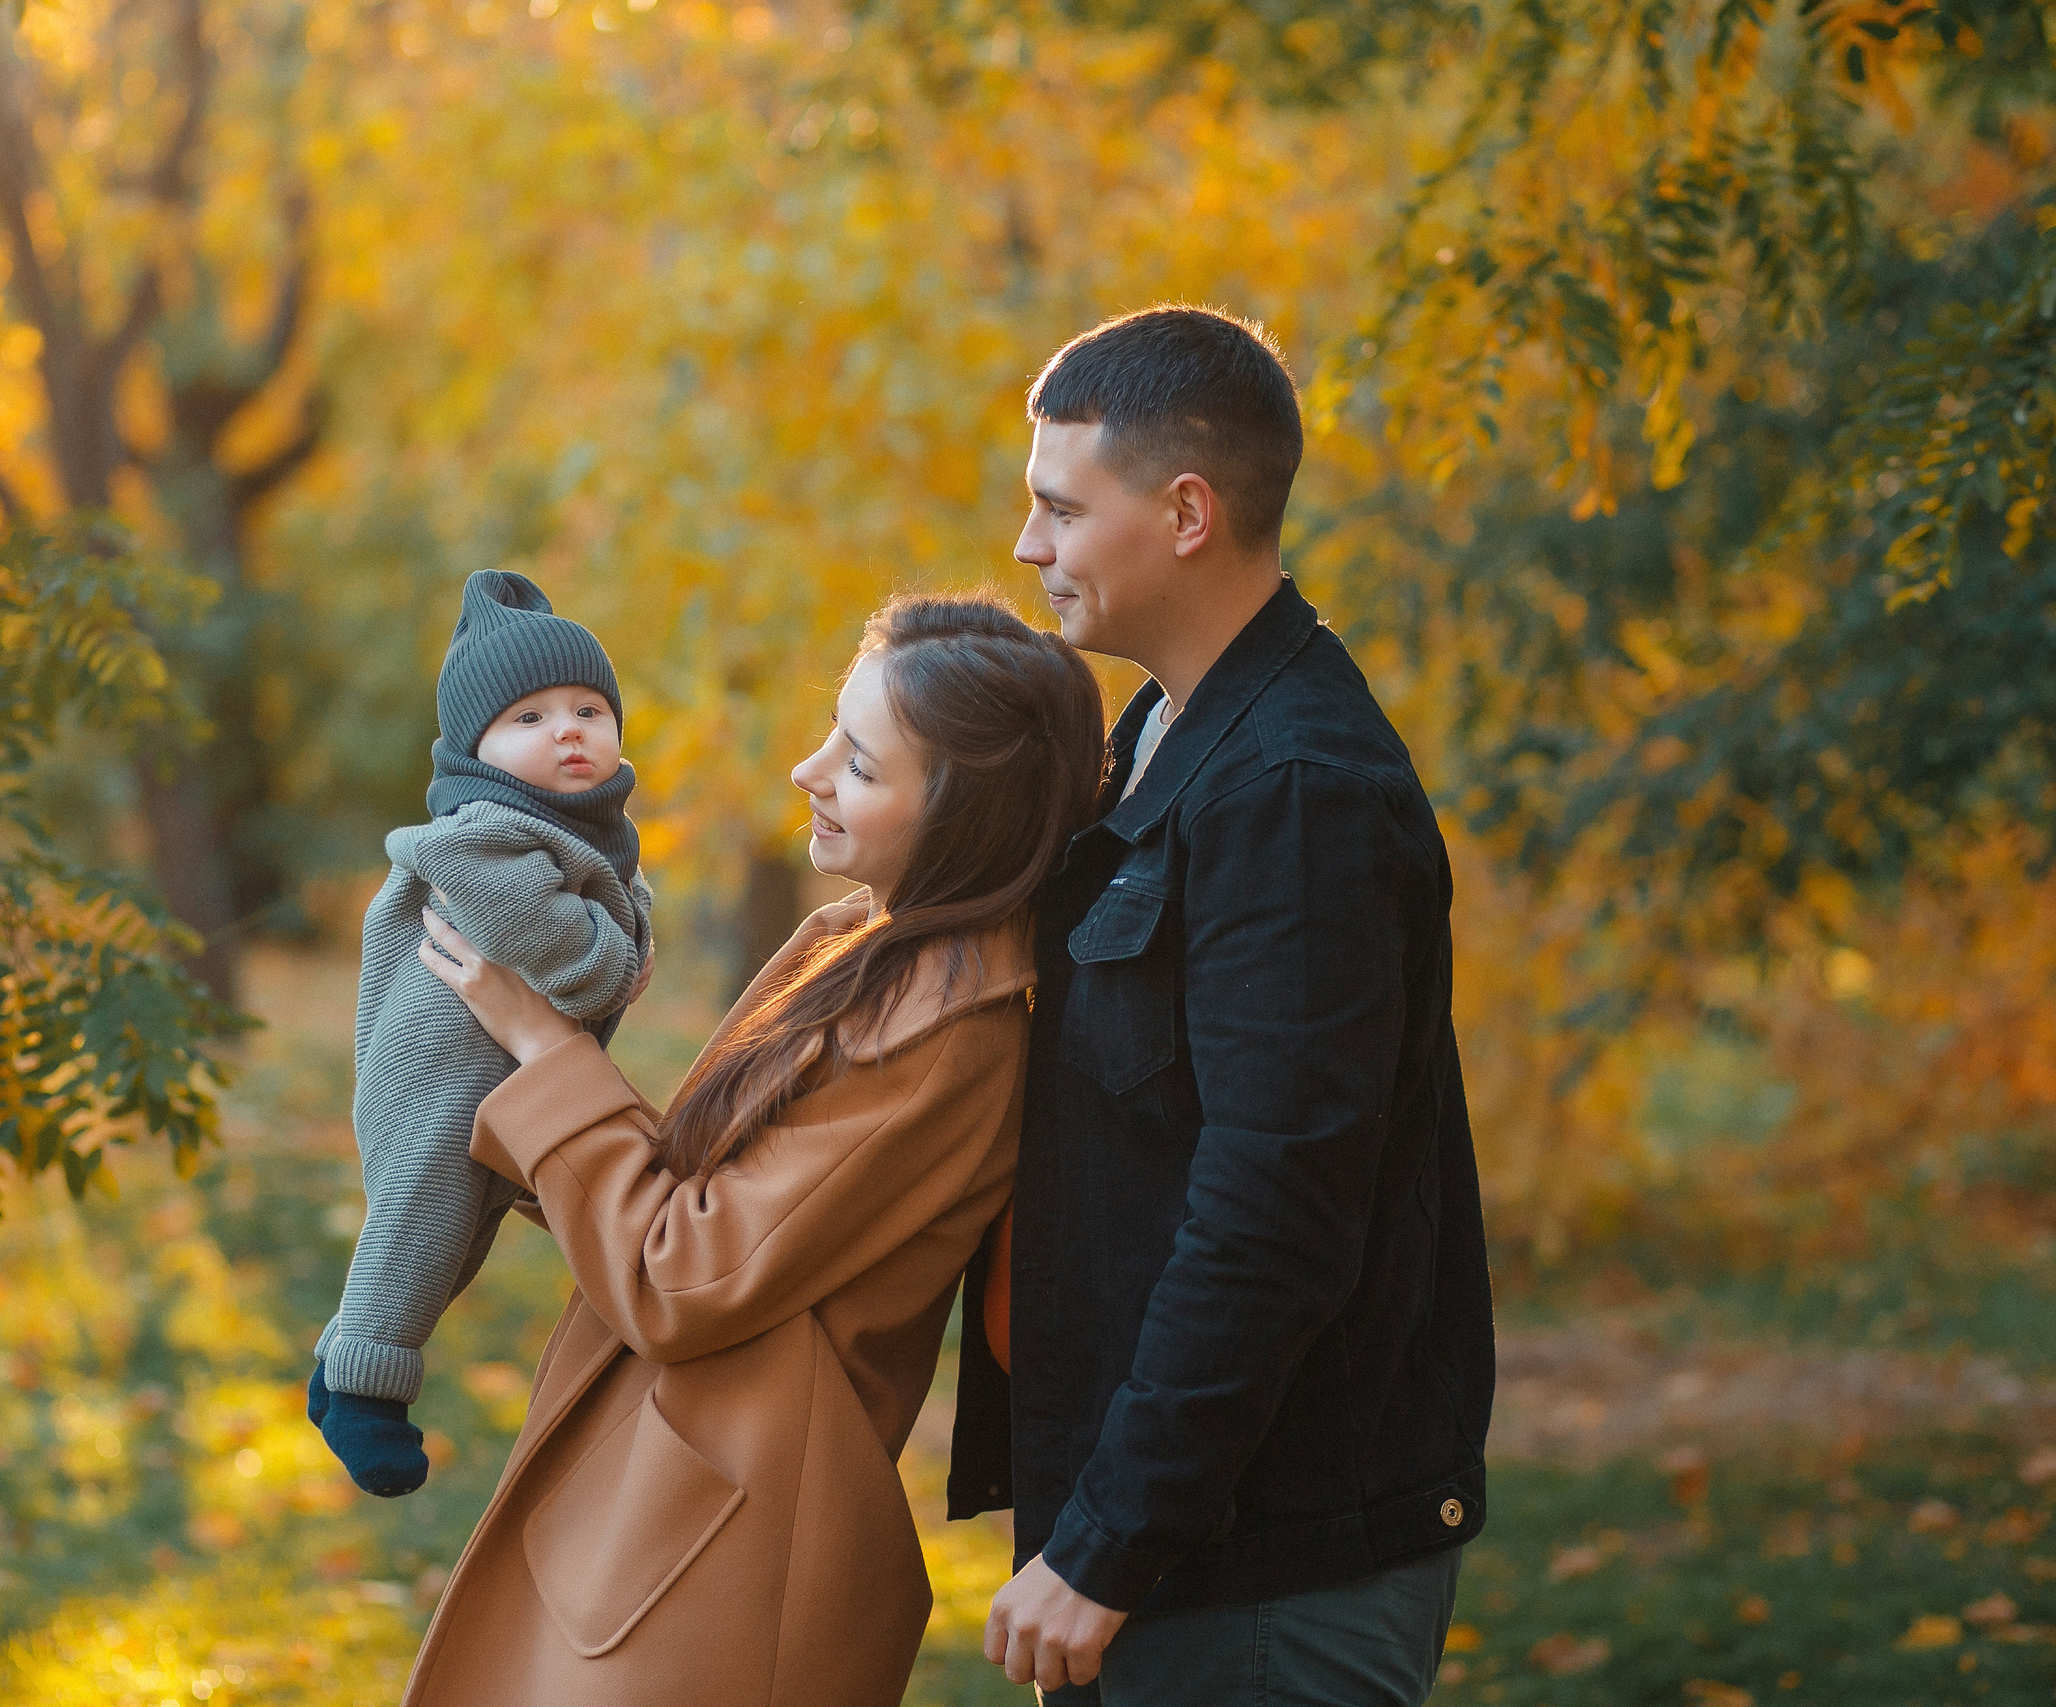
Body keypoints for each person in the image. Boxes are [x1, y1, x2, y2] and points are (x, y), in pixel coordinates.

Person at [399, 595, 1106, 1707]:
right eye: (833, 728)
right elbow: (683, 1187)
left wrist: (540, 1046)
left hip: (716, 1547)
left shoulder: (945, 1035)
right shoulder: (854, 947)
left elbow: (683, 1271)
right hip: (662, 1495)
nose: (806, 770)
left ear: (967, 818)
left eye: (860, 765)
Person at [958, 304, 1495, 1704]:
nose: (1030, 547)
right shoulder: (1158, 737)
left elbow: (1277, 1211)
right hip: (1179, 1545)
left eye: (1059, 507)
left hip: (1261, 1573)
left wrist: (1113, 1541)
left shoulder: (1296, 789)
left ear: (1186, 511)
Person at [307, 569, 654, 1499]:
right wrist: (620, 959)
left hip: (490, 1072)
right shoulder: (482, 833)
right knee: (423, 1215)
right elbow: (569, 955)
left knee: (457, 1236)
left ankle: (352, 1350)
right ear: (477, 750)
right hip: (437, 1072)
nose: (568, 730)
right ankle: (364, 1386)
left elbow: (610, 913)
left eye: (587, 707)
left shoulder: (579, 831)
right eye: (529, 719)